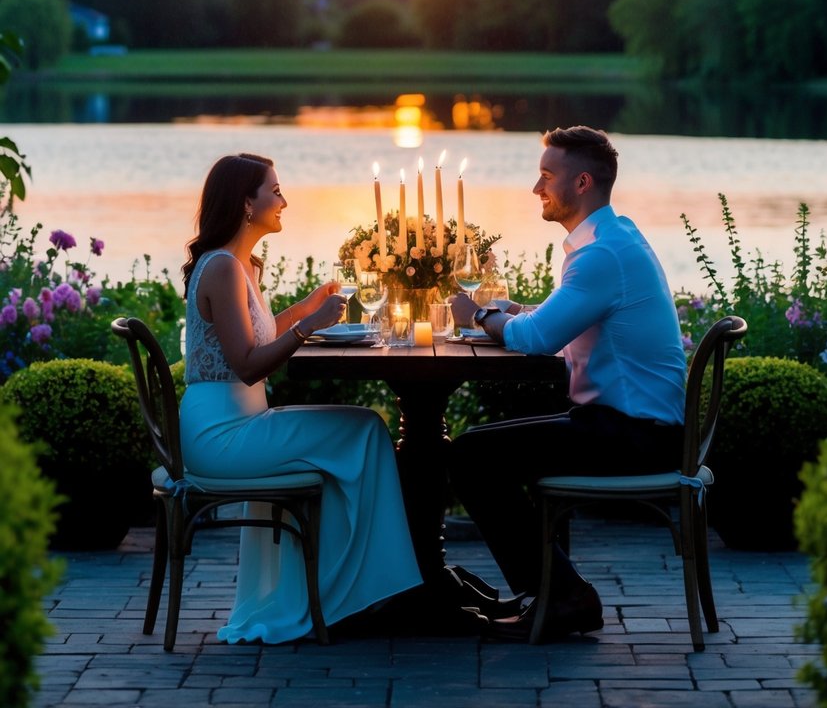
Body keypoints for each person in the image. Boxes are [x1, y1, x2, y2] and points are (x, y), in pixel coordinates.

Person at [448, 126, 687, 641]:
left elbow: (536, 338)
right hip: (631, 423)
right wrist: (511, 312)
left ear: (581, 182)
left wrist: (477, 315)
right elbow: (554, 324)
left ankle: (565, 595)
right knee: (480, 449)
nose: (536, 189)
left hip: (635, 434)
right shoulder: (614, 238)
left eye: (545, 176)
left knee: (470, 455)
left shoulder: (600, 255)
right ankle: (551, 587)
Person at [179, 152, 422, 644]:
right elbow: (249, 364)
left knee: (361, 432)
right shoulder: (224, 267)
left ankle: (347, 591)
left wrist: (305, 308)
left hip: (239, 422)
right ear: (248, 203)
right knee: (368, 429)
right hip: (221, 435)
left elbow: (255, 335)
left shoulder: (242, 264)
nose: (284, 200)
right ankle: (364, 593)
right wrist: (311, 325)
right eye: (276, 190)